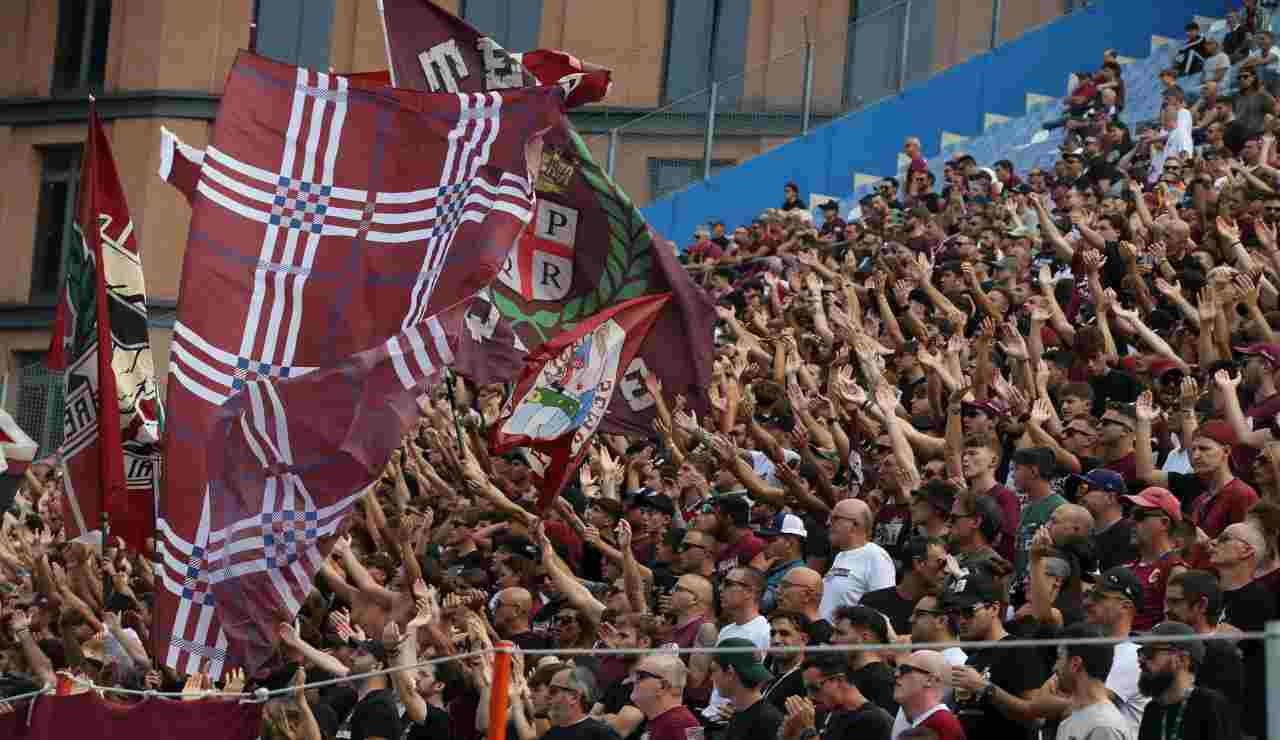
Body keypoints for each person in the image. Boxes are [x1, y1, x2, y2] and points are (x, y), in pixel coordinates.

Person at [945, 562, 1047, 740]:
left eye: (969, 611)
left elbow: (1037, 716)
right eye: (956, 612)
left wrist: (985, 688)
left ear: (993, 609)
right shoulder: (973, 660)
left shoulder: (1017, 650)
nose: (961, 620)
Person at [1135, 621, 1239, 740]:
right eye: (1140, 652)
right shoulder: (1152, 711)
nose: (1140, 660)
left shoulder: (1209, 704)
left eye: (1149, 652)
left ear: (1183, 659)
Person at [1162, 570, 1245, 708]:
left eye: (1175, 602)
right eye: (1166, 602)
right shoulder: (1161, 644)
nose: (1166, 610)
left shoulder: (1226, 654)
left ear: (1201, 605)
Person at [702, 567, 772, 724]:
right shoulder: (726, 630)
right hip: (710, 717)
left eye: (728, 584)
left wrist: (742, 711)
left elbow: (764, 680)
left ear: (750, 592)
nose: (720, 588)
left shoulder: (766, 631)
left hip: (735, 721)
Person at [1121, 487, 1187, 631]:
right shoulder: (1126, 568)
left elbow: (1172, 630)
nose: (1130, 521)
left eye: (1139, 515)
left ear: (1164, 523)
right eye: (1129, 515)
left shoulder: (1175, 569)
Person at [1052, 623, 1132, 740]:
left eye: (1059, 657)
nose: (1055, 667)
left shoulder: (1103, 727)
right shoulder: (1070, 721)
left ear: (1075, 664)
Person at [786, 654, 894, 740]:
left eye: (814, 688)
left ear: (839, 680)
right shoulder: (833, 717)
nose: (810, 696)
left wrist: (807, 730)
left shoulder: (874, 721)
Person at [820, 500, 896, 619]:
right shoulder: (840, 556)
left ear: (855, 524)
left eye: (835, 518)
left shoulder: (876, 556)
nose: (828, 522)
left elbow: (883, 610)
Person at [861, 536, 948, 635]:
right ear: (918, 563)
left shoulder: (944, 604)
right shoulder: (873, 603)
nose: (946, 570)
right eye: (941, 563)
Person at [712, 637, 785, 740]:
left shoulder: (766, 722)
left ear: (730, 672)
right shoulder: (740, 713)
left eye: (714, 670)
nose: (712, 677)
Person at [888, 650, 965, 740]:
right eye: (897, 670)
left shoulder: (942, 724)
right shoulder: (934, 722)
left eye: (905, 669)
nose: (896, 674)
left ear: (929, 680)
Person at [545, 666, 621, 740]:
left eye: (553, 691)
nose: (547, 695)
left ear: (574, 697)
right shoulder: (549, 735)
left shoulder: (602, 735)